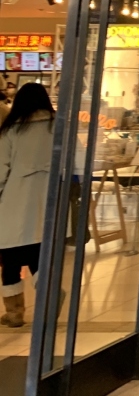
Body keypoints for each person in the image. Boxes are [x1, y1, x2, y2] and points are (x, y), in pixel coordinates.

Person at [0, 84, 55, 328]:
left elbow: (0, 169)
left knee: (10, 259)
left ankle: (15, 313)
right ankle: (48, 302)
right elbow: (76, 160)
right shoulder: (59, 126)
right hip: (48, 200)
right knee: (39, 255)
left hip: (15, 201)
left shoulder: (12, 130)